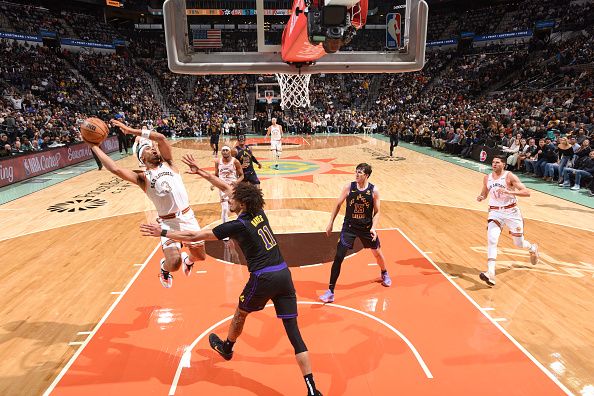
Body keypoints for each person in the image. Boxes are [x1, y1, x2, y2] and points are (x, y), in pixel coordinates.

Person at [140, 155, 322, 396]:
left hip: (263, 278)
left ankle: (227, 347)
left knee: (241, 313)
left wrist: (162, 231)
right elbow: (228, 187)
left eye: (231, 198)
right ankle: (312, 388)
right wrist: (203, 173)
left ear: (242, 202)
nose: (227, 197)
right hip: (283, 274)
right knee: (294, 333)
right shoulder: (257, 209)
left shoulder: (237, 225)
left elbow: (196, 237)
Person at [90, 119, 206, 288]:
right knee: (174, 264)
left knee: (200, 257)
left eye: (153, 148)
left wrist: (130, 130)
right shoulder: (142, 178)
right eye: (149, 150)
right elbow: (115, 168)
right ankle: (164, 268)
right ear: (142, 158)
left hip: (188, 217)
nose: (153, 149)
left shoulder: (169, 163)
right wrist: (93, 146)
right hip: (168, 222)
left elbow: (161, 138)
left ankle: (188, 260)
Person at [319, 163, 392, 303]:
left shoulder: (374, 190)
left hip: (366, 228)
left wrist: (373, 228)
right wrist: (330, 222)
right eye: (356, 171)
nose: (357, 174)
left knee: (376, 253)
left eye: (360, 172)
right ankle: (330, 291)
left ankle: (384, 272)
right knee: (339, 256)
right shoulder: (349, 187)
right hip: (349, 227)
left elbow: (377, 212)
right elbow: (338, 204)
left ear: (367, 175)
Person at [476, 155, 539, 287]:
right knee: (492, 240)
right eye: (493, 162)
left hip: (511, 212)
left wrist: (510, 192)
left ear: (503, 164)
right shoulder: (487, 178)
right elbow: (485, 193)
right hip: (495, 212)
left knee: (519, 243)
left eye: (497, 162)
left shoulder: (510, 176)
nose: (494, 164)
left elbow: (527, 192)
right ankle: (490, 273)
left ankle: (532, 248)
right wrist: (481, 197)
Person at [213, 145, 244, 224]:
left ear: (230, 152)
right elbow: (216, 175)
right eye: (223, 150)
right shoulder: (218, 162)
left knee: (236, 208)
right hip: (222, 187)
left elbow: (242, 175)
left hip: (233, 187)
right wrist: (213, 183)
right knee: (224, 209)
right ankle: (225, 229)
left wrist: (236, 182)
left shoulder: (235, 161)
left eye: (227, 150)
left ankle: (242, 224)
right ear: (221, 152)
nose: (225, 152)